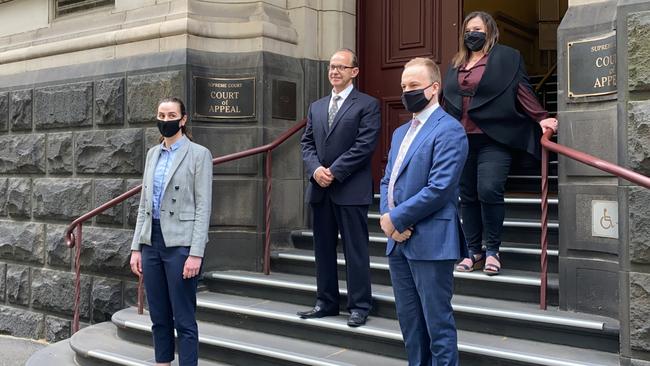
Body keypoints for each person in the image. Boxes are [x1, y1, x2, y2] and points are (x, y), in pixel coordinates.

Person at [442, 11, 558, 275]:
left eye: (478, 29)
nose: (473, 34)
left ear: (489, 32)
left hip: (494, 137)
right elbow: (446, 100)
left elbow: (522, 89)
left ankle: (493, 250)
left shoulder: (506, 57)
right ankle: (474, 251)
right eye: (469, 29)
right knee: (467, 195)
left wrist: (541, 118)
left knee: (489, 189)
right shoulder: (456, 62)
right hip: (461, 140)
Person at [380, 57, 468, 365]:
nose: (406, 92)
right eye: (403, 86)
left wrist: (397, 217)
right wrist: (387, 219)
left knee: (437, 325)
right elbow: (387, 179)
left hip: (431, 241)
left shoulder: (450, 130)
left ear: (433, 88)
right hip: (398, 242)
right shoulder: (399, 133)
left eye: (414, 86)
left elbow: (440, 188)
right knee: (410, 323)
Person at [298, 48, 381, 327]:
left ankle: (359, 305)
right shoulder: (317, 106)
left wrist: (335, 171)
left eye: (341, 67)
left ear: (354, 72)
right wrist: (316, 170)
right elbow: (306, 143)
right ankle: (326, 301)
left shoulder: (367, 105)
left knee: (355, 250)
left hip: (350, 189)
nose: (334, 71)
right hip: (320, 189)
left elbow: (365, 145)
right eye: (332, 67)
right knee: (322, 249)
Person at [129, 97, 213, 366]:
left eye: (172, 115)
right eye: (161, 115)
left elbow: (203, 207)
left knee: (184, 318)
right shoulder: (153, 154)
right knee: (159, 316)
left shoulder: (199, 154)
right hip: (151, 240)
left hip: (181, 244)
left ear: (183, 119)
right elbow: (144, 203)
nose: (166, 120)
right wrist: (136, 248)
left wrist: (196, 254)